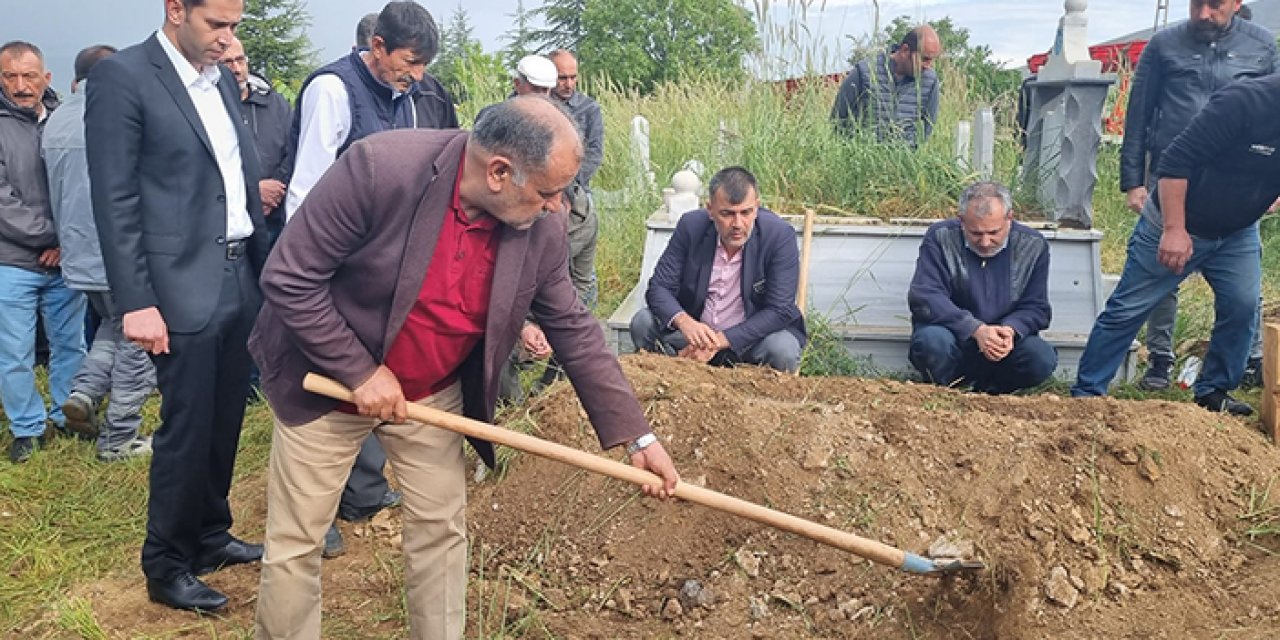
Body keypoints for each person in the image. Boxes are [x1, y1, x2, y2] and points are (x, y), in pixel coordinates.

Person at [250, 95, 679, 639]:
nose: (557, 207)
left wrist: (637, 438)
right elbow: (289, 277)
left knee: (441, 530)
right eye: (549, 191)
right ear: (499, 172)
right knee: (296, 543)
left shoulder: (541, 228)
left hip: (431, 393)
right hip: (327, 382)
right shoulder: (379, 169)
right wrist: (359, 372)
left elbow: (573, 327)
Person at [84, 0, 270, 611]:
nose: (227, 37)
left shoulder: (217, 83)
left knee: (224, 419)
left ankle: (210, 534)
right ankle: (166, 563)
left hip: (238, 272)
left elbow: (232, 180)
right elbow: (115, 199)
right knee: (187, 427)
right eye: (217, 24)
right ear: (174, 11)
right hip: (178, 285)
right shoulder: (125, 77)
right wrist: (136, 301)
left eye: (234, 26)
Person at [287, 0, 444, 558]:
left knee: (375, 376)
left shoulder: (407, 97)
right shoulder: (333, 90)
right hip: (334, 265)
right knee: (324, 388)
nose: (417, 74)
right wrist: (315, 274)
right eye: (410, 61)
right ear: (377, 46)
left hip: (383, 266)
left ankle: (363, 493)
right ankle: (316, 512)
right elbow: (306, 189)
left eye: (424, 64)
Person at [1072, 73, 1280, 415]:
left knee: (1243, 307)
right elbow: (1175, 163)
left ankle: (1214, 391)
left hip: (1237, 231)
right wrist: (1174, 229)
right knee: (1129, 309)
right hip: (1175, 220)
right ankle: (1088, 393)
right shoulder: (1243, 102)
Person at [1118, 0, 1274, 390]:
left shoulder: (1263, 45)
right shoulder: (1164, 45)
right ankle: (1159, 358)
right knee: (1163, 274)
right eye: (1196, 3)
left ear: (1237, 3)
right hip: (1173, 178)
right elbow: (1139, 113)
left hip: (1235, 185)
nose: (1203, 13)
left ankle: (1239, 368)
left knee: (1242, 289)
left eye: (1215, 4)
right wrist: (1133, 180)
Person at [44, 44, 158, 463]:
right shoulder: (116, 115)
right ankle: (120, 438)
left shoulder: (56, 119)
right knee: (139, 346)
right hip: (120, 254)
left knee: (112, 327)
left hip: (76, 256)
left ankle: (84, 393)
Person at [0, 40, 88, 463]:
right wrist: (50, 238)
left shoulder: (65, 119)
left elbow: (82, 185)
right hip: (12, 261)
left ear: (46, 78)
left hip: (64, 260)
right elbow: (3, 203)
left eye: (29, 76)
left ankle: (68, 416)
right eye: (10, 76)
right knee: (15, 353)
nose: (20, 85)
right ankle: (27, 428)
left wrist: (64, 242)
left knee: (71, 344)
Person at [630, 167, 806, 373]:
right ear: (710, 210)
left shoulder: (778, 236)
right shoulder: (691, 227)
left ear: (756, 207)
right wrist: (685, 323)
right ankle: (668, 381)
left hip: (749, 341)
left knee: (781, 348)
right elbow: (659, 287)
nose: (738, 224)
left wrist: (721, 340)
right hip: (693, 336)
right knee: (643, 322)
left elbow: (780, 310)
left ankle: (763, 400)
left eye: (746, 212)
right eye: (727, 214)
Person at [906, 181, 1057, 394]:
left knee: (1040, 357)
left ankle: (994, 391)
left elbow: (1037, 307)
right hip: (953, 337)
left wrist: (1010, 330)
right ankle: (948, 390)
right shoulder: (940, 237)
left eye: (994, 232)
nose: (985, 242)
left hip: (1005, 345)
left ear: (1010, 218)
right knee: (931, 343)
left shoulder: (1033, 245)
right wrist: (975, 329)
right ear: (961, 221)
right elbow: (925, 296)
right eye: (976, 233)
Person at [220, 36, 292, 243]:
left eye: (240, 60)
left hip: (275, 220)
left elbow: (293, 148)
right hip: (232, 224)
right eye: (227, 62)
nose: (236, 68)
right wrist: (253, 190)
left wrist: (275, 189)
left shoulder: (275, 104)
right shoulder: (211, 106)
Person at [831, 25, 942, 148]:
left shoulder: (930, 81)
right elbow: (838, 118)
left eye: (932, 60)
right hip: (862, 158)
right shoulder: (864, 72)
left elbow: (928, 127)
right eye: (925, 59)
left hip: (904, 162)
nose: (928, 65)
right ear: (905, 51)